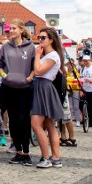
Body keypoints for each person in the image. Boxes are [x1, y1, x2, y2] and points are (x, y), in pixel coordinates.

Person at [0, 18, 35, 166]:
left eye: (13, 28)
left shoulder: (30, 47)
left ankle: (26, 152)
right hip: (9, 87)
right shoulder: (5, 47)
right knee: (13, 119)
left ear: (21, 30)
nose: (10, 31)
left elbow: (34, 66)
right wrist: (5, 76)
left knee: (24, 119)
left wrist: (30, 78)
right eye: (9, 28)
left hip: (24, 88)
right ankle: (18, 151)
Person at [30, 27, 65, 169]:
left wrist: (37, 55)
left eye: (43, 37)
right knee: (49, 124)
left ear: (51, 39)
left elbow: (38, 70)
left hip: (44, 86)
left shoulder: (52, 56)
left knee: (36, 124)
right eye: (39, 37)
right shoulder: (50, 55)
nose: (40, 40)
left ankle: (46, 157)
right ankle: (55, 157)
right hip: (42, 86)